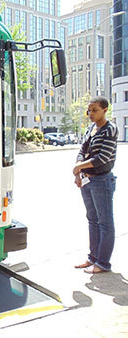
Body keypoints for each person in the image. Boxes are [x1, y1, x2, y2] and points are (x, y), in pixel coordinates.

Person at [73, 96, 118, 274]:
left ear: (105, 110)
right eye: (89, 110)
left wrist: (79, 167)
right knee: (92, 220)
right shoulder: (91, 128)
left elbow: (102, 158)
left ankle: (103, 263)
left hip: (102, 181)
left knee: (105, 222)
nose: (90, 114)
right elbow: (82, 150)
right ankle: (93, 258)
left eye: (95, 110)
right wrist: (79, 171)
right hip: (88, 180)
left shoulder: (110, 129)